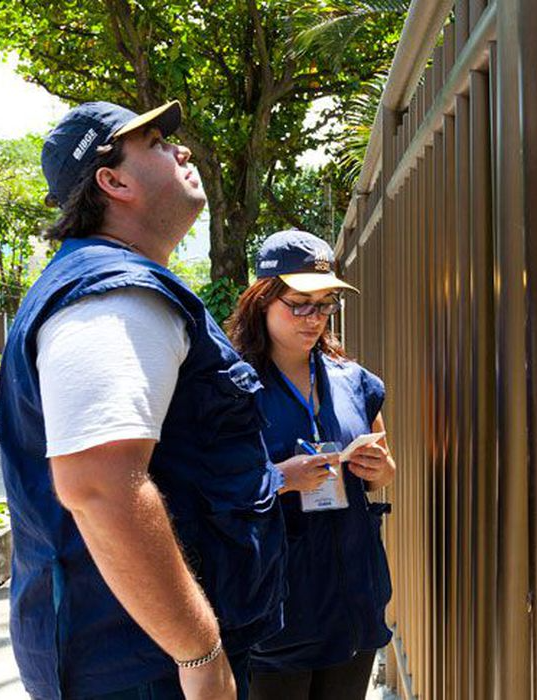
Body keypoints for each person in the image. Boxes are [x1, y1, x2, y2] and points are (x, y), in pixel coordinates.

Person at [0, 103, 332, 700]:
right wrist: (198, 650)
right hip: (145, 666)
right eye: (154, 142)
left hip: (141, 653)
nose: (182, 151)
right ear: (113, 181)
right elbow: (98, 485)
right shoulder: (113, 293)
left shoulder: (114, 283)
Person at [226, 230, 397, 700]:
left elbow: (387, 471)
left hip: (353, 602)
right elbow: (209, 489)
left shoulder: (353, 381)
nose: (314, 318)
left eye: (324, 305)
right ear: (262, 300)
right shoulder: (232, 388)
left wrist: (377, 468)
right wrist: (282, 478)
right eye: (299, 303)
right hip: (278, 609)